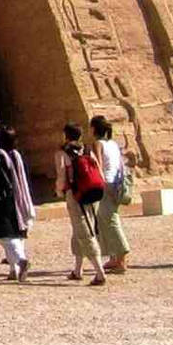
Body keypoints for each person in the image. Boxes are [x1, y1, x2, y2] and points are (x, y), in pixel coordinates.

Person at [55, 122, 110, 286]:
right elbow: (99, 172)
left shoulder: (62, 153)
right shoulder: (88, 150)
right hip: (93, 193)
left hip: (76, 194)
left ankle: (100, 273)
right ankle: (78, 270)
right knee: (83, 228)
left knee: (84, 232)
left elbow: (61, 176)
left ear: (66, 135)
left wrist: (59, 191)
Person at [0, 123, 34, 280]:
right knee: (17, 232)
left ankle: (20, 260)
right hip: (19, 197)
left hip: (2, 201)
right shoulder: (17, 155)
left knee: (4, 235)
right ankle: (14, 270)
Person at [90, 114, 133, 276]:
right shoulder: (113, 144)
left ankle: (122, 256)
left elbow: (98, 165)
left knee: (110, 220)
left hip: (106, 184)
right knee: (104, 219)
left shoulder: (98, 144)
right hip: (117, 183)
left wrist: (97, 185)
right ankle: (114, 256)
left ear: (94, 129)